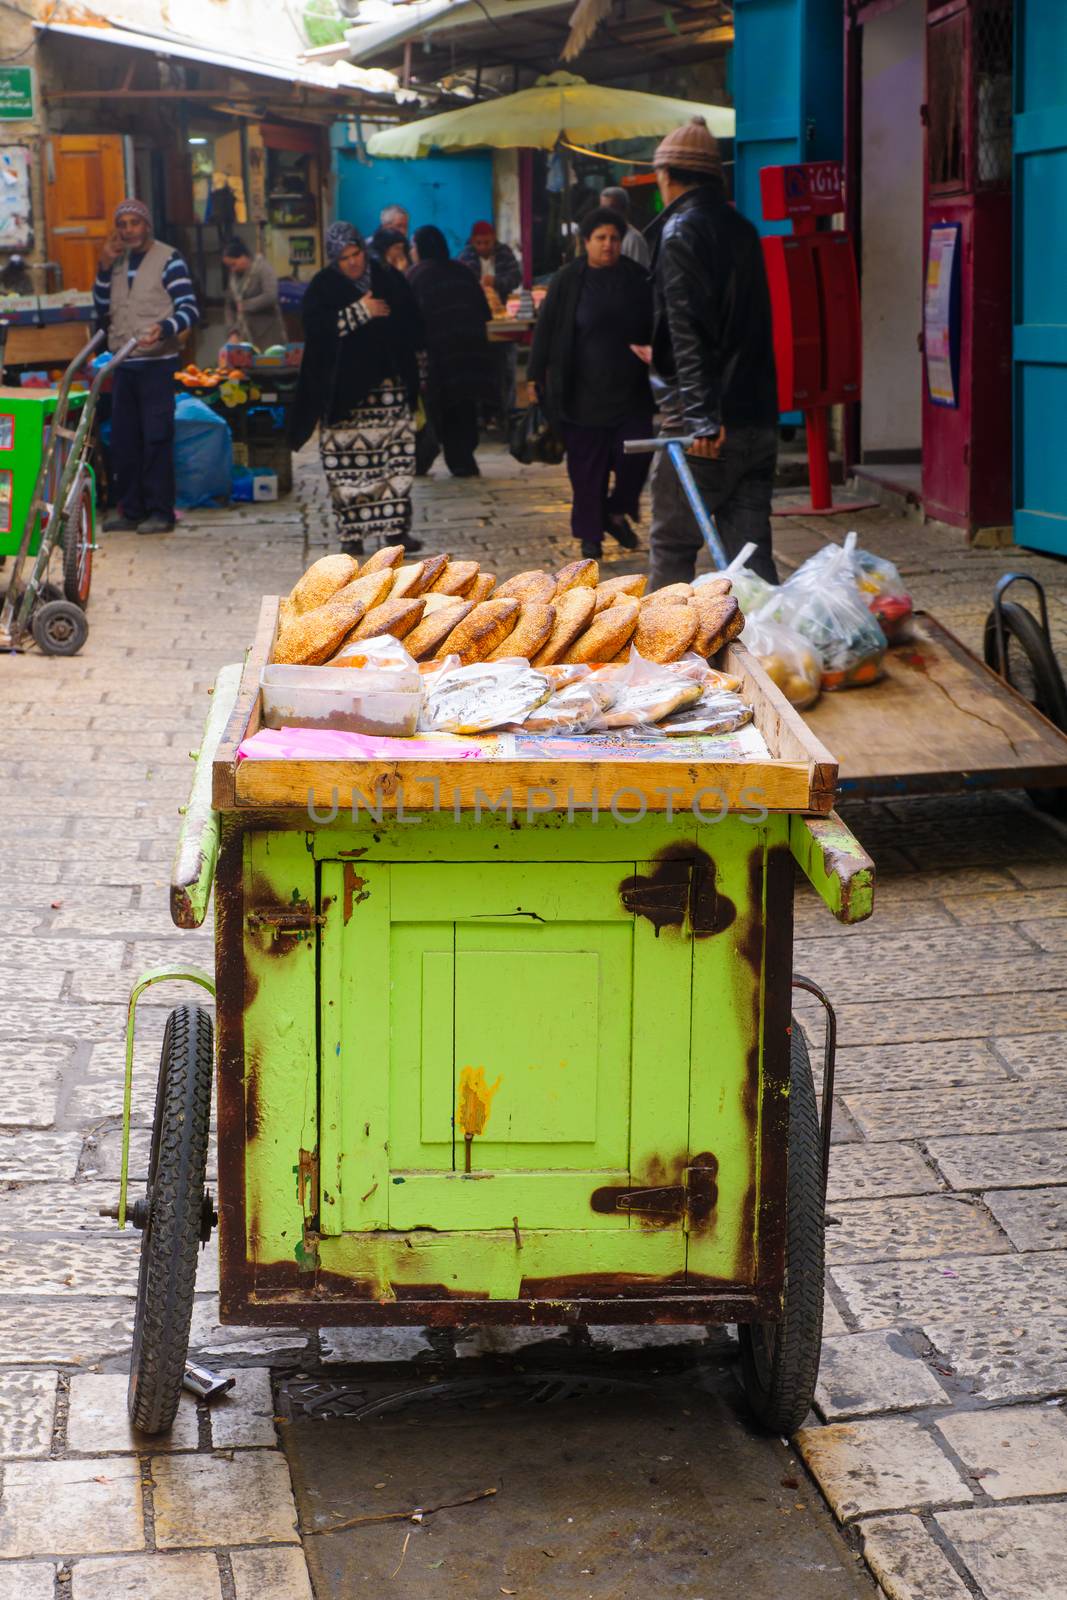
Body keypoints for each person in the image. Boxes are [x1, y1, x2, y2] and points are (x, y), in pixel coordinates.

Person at [645, 117, 780, 589]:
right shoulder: (742, 227)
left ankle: (663, 658)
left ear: (667, 176)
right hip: (756, 418)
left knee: (672, 547)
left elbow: (688, 327)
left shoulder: (681, 230)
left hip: (707, 427)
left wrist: (701, 417)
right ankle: (772, 653)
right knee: (750, 560)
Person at [291, 220, 423, 557]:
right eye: (343, 257)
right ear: (334, 260)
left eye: (355, 254)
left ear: (363, 251)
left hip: (388, 392)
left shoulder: (388, 279)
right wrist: (358, 312)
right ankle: (353, 534)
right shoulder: (323, 287)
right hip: (344, 397)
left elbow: (411, 322)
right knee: (348, 468)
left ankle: (396, 532)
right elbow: (316, 332)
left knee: (394, 464)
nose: (352, 262)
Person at [528, 206, 653, 559]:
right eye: (601, 238)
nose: (609, 245)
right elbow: (546, 329)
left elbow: (658, 322)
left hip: (630, 391)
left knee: (636, 455)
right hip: (580, 393)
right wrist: (534, 376)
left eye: (615, 238)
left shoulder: (638, 278)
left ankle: (616, 510)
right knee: (586, 470)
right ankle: (590, 537)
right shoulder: (568, 280)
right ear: (586, 242)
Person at [93, 197, 200, 535]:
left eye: (134, 223)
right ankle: (132, 510)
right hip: (123, 364)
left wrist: (164, 328)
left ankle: (160, 512)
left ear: (147, 225)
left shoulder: (169, 260)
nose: (128, 231)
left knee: (156, 438)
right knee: (125, 440)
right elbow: (99, 307)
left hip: (157, 364)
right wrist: (102, 268)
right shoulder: (118, 262)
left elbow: (189, 309)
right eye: (122, 225)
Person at [407, 224, 496, 479]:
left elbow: (410, 320)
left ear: (421, 248)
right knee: (464, 406)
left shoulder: (415, 275)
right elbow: (484, 312)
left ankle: (429, 455)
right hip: (470, 355)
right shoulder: (463, 271)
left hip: (438, 356)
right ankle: (462, 460)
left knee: (437, 408)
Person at [222, 236, 285, 351]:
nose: (232, 269)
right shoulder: (233, 278)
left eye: (234, 264)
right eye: (229, 267)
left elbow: (271, 295)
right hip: (244, 334)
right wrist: (233, 331)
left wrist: (246, 305)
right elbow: (229, 306)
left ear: (244, 257)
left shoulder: (262, 268)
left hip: (267, 333)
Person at [458, 220, 522, 301]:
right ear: (472, 241)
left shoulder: (505, 253)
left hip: (503, 305)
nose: (483, 247)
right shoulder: (465, 257)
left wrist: (495, 282)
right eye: (478, 243)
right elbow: (460, 285)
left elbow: (516, 279)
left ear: (494, 238)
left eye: (487, 242)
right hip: (474, 305)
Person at [600, 186, 651, 268]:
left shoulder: (634, 240)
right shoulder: (600, 238)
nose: (605, 213)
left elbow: (639, 275)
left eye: (610, 208)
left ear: (624, 210)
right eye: (603, 209)